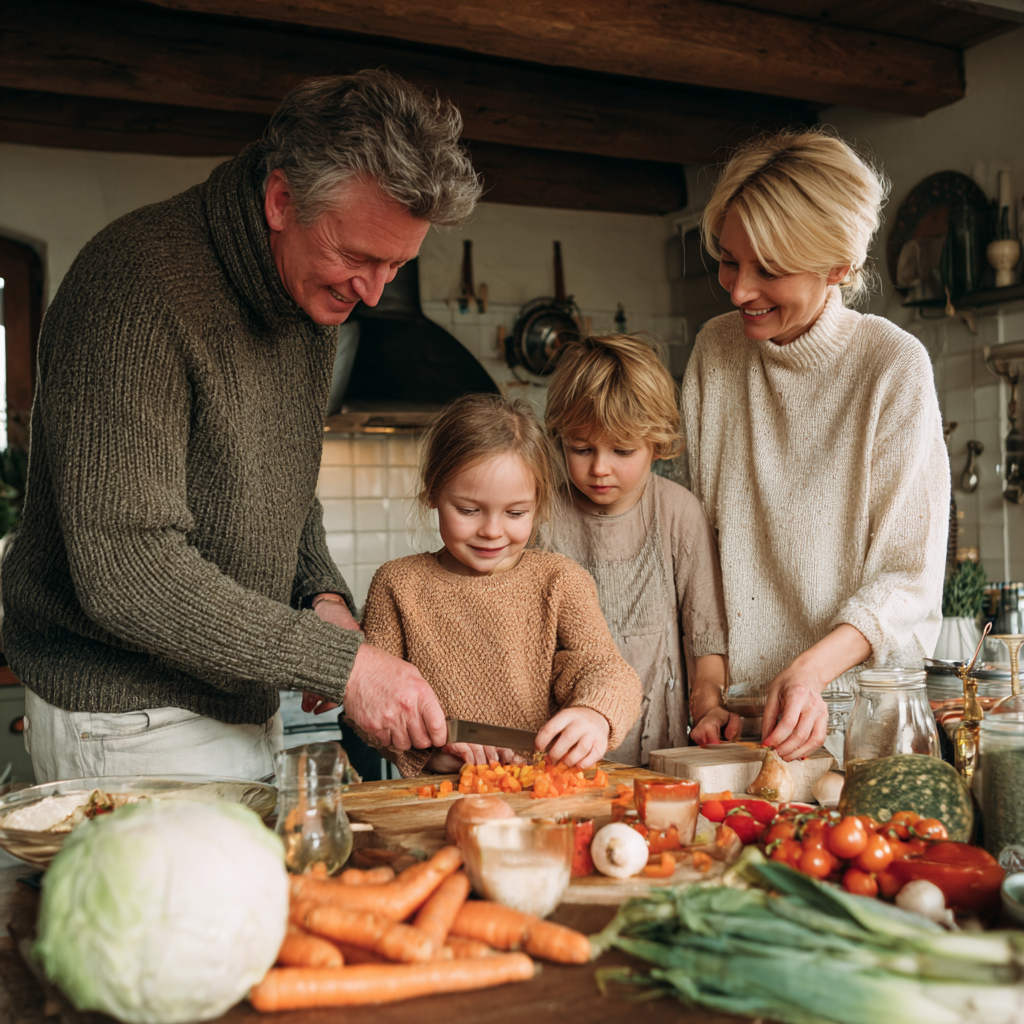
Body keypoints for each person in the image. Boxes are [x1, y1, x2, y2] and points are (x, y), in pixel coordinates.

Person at [1, 70, 483, 782]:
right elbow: (128, 572)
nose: (374, 292)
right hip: (130, 717)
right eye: (356, 257)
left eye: (397, 265)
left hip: (237, 702)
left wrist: (322, 599)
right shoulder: (136, 288)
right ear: (282, 199)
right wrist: (340, 664)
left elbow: (281, 485)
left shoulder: (305, 301)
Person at [681, 128, 949, 761]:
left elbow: (907, 580)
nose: (739, 290)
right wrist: (707, 692)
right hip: (740, 729)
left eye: (768, 270)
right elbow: (696, 549)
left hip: (863, 728)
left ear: (840, 268)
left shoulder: (891, 366)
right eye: (728, 259)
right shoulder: (715, 354)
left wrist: (809, 673)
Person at [359, 393, 643, 777]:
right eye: (468, 510)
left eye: (515, 513)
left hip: (542, 791)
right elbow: (371, 707)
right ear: (432, 491)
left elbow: (610, 673)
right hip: (437, 797)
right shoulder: (397, 585)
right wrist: (428, 756)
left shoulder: (560, 581)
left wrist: (594, 715)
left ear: (538, 504)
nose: (492, 531)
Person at [541, 334, 730, 765]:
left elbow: (706, 641)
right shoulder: (541, 517)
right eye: (580, 448)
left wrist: (710, 708)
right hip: (563, 755)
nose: (599, 468)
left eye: (622, 450)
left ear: (657, 444)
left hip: (660, 753)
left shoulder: (679, 514)